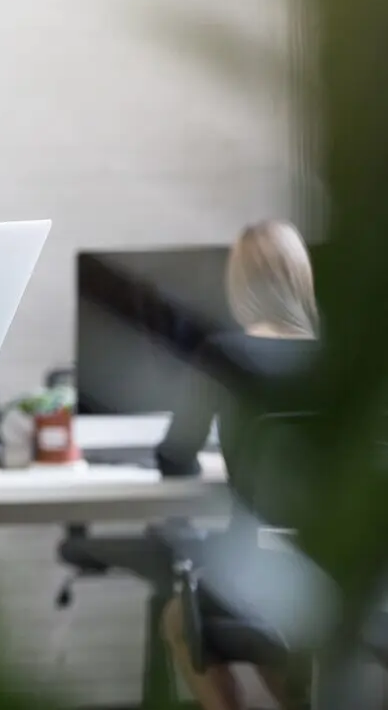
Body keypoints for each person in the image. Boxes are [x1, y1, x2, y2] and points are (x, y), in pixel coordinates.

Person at [156, 219, 320, 710]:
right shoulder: (337, 362)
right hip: (333, 573)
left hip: (255, 569)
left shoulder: (224, 354)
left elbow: (174, 454)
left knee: (177, 620)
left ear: (241, 285)